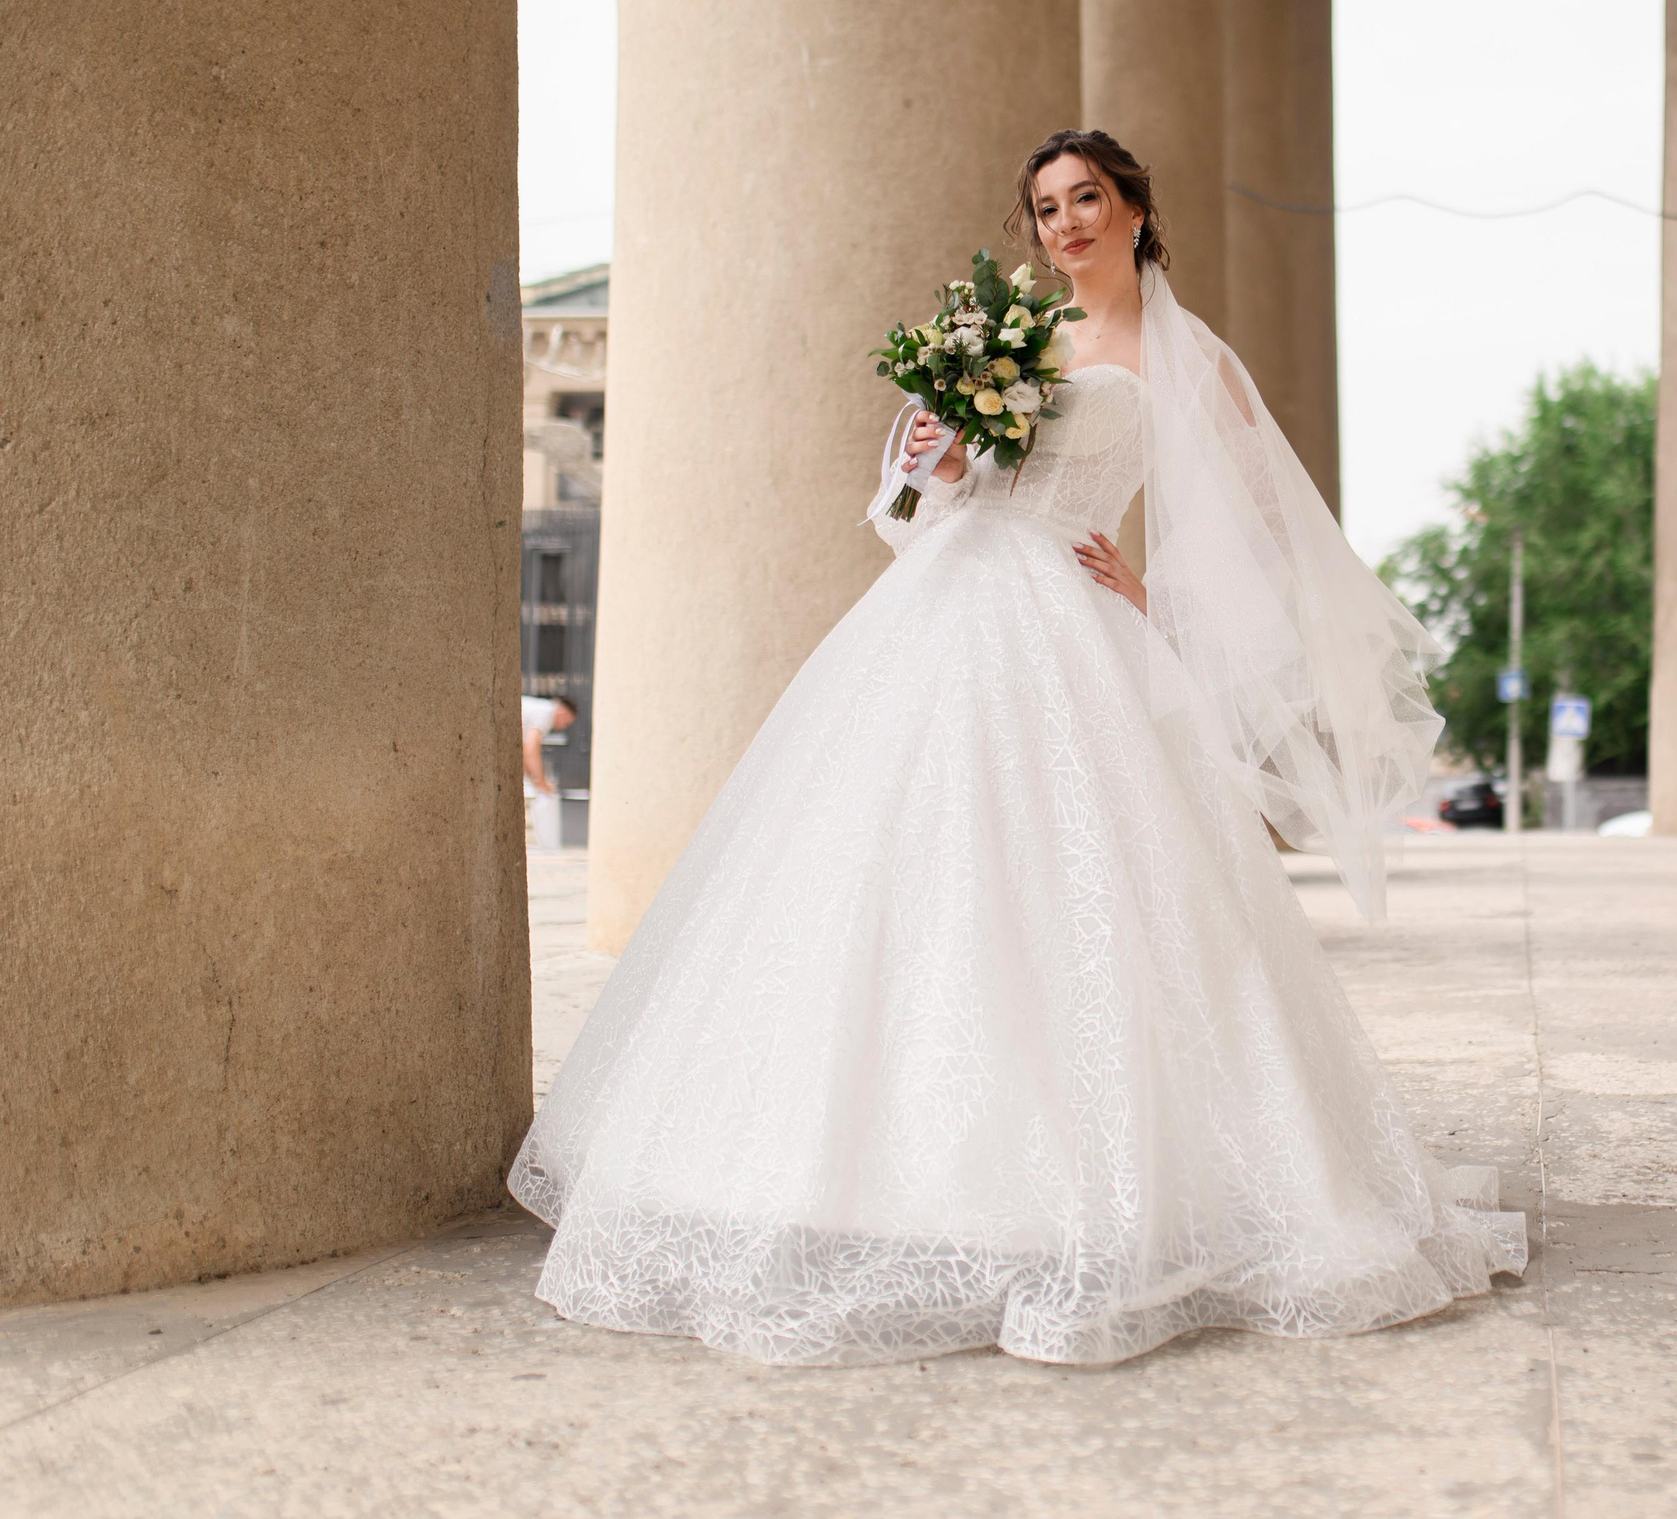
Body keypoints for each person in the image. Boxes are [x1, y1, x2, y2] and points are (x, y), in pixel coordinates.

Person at [509, 129, 1525, 1368]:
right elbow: (921, 507)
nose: (1065, 224)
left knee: (1079, 891)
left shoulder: (1187, 358)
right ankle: (876, 1172)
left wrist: (1159, 604)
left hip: (1069, 627)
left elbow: (1262, 523)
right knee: (898, 876)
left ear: (1137, 207)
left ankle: (1085, 1180)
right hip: (941, 615)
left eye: (1087, 198)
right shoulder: (1015, 340)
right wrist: (924, 460)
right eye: (1045, 208)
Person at [520, 694, 578, 849]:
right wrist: (542, 783)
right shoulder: (545, 713)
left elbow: (523, 753)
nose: (561, 727)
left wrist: (535, 781)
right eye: (566, 723)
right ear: (563, 713)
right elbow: (531, 750)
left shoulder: (540, 708)